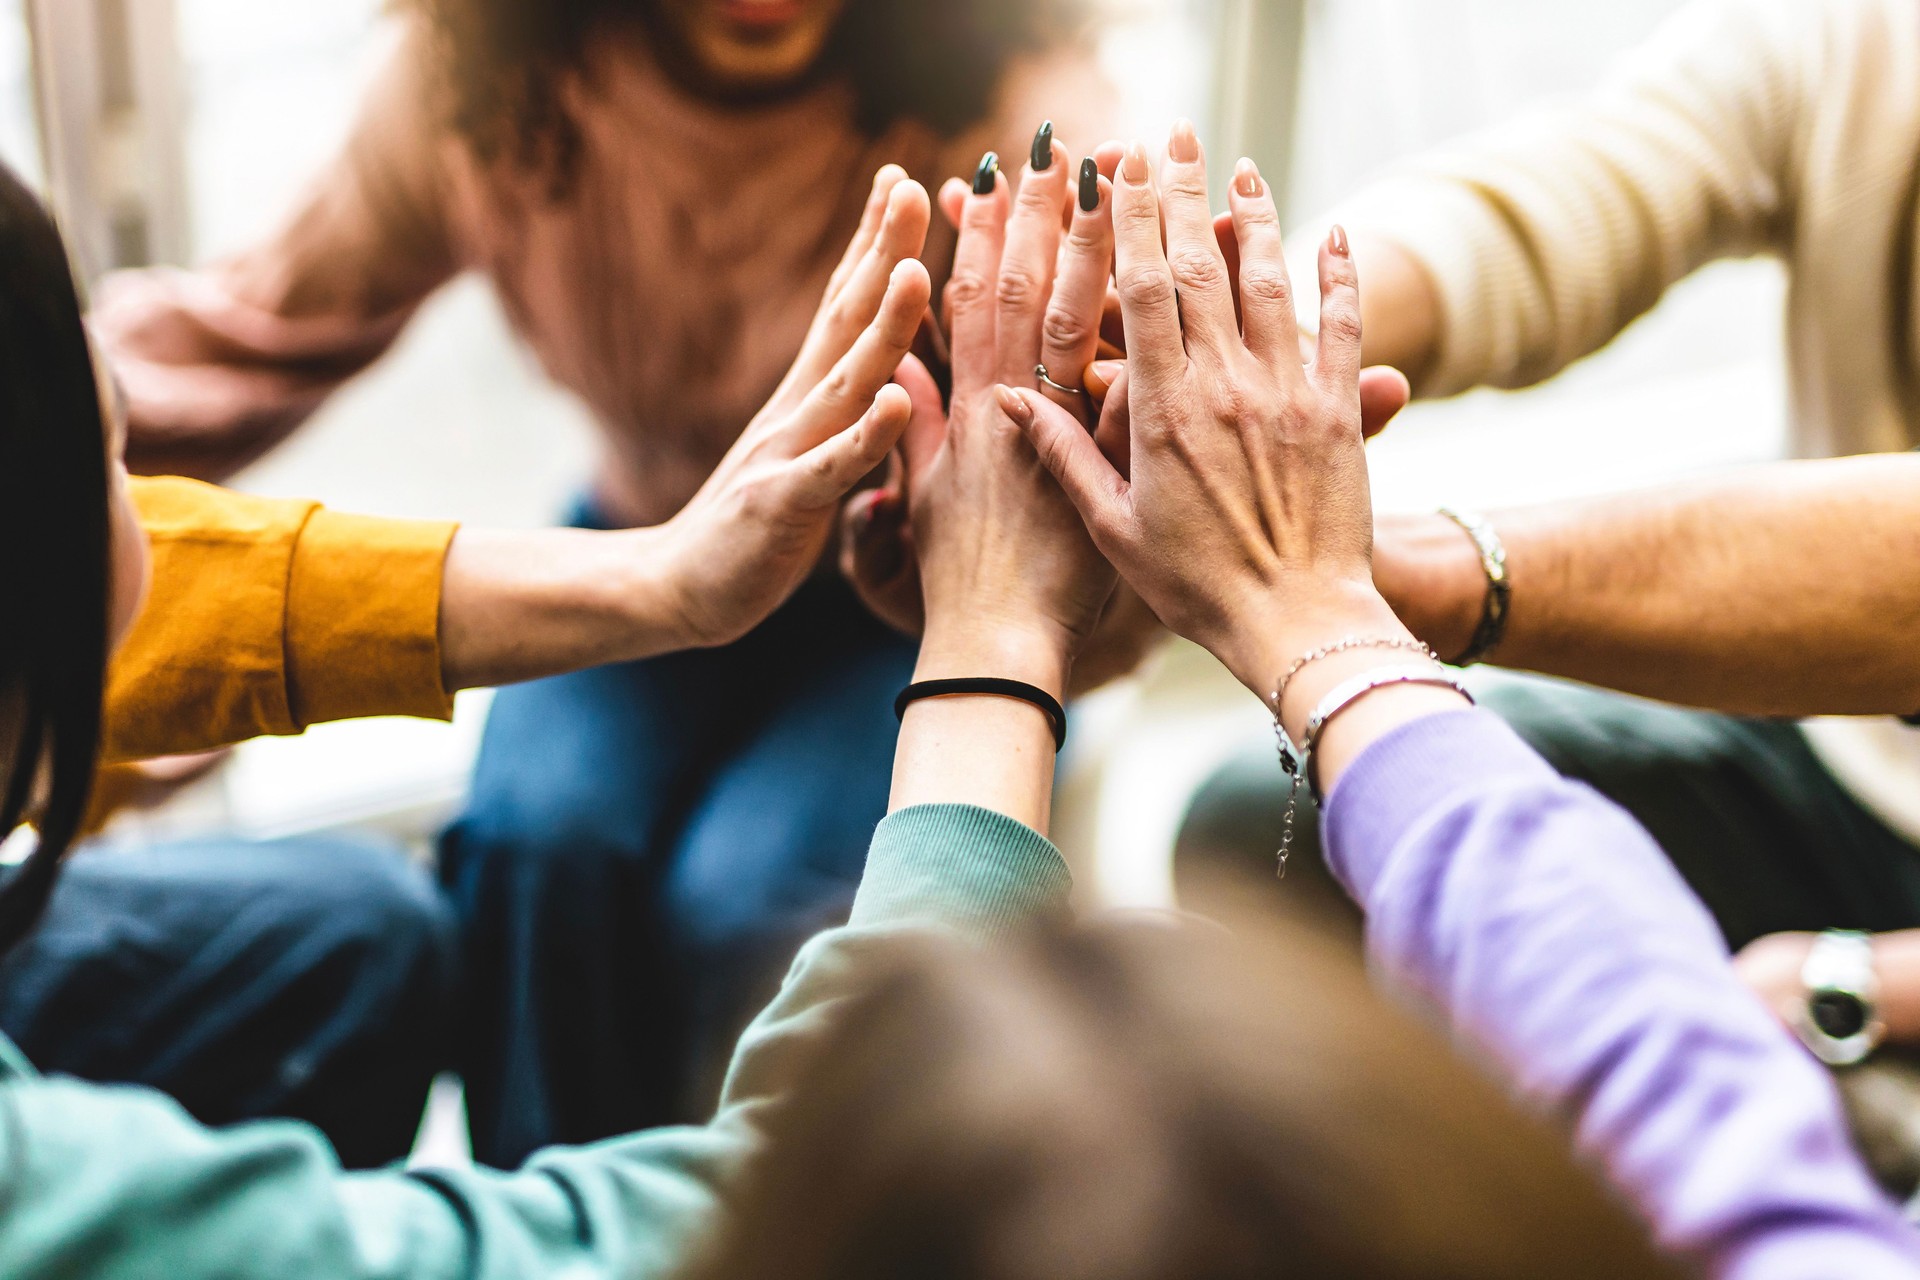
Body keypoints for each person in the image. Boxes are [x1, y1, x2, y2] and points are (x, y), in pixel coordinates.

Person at [88, 0, 1114, 1161]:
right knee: (533, 849)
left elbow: (1088, 485)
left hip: (897, 594)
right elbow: (246, 332)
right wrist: (45, 402)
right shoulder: (485, 82)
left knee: (757, 896)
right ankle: (548, 1213)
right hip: (646, 534)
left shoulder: (1011, 100)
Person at [1175, 0, 1920, 953]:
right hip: (1844, 757)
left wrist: (1379, 582)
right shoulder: (1861, 36)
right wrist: (1255, 352)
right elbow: (1564, 201)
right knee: (1260, 835)